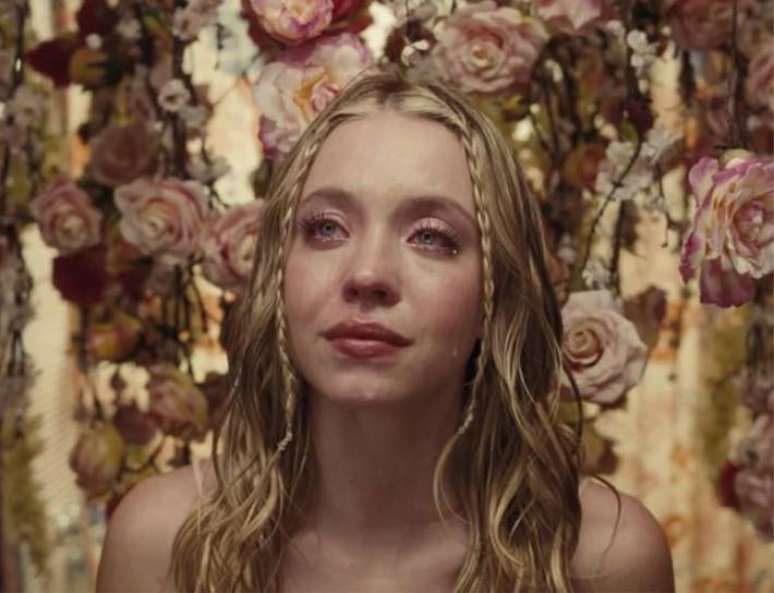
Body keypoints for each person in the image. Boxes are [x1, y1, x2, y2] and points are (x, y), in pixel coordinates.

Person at [95, 66, 675, 593]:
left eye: (431, 237)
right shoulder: (162, 543)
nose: (368, 274)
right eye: (326, 228)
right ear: (278, 274)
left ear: (494, 295)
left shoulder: (602, 560)